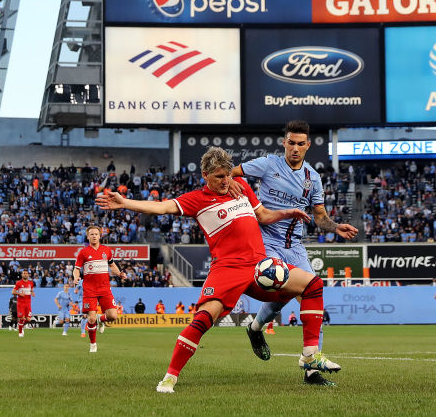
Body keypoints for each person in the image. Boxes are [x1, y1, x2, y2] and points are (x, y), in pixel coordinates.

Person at [97, 146, 341, 394]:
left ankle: (310, 356)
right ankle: (169, 378)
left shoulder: (241, 187)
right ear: (205, 175)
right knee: (203, 320)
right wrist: (125, 202)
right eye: (219, 177)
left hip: (259, 266)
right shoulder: (196, 199)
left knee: (313, 285)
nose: (226, 181)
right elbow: (161, 207)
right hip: (227, 269)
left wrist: (287, 213)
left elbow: (264, 215)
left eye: (227, 175)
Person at [231, 120, 357, 386]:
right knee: (291, 291)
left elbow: (320, 217)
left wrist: (335, 227)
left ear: (308, 145)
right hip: (266, 241)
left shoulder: (313, 178)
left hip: (295, 246)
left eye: (301, 144)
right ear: (284, 143)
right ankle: (307, 362)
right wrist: (235, 191)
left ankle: (302, 363)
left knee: (308, 293)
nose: (296, 148)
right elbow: (231, 174)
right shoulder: (267, 164)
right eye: (291, 143)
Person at [73, 224, 125, 353]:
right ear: (88, 236)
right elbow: (76, 269)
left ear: (100, 235)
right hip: (89, 289)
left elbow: (112, 265)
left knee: (113, 316)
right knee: (90, 318)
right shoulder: (83, 252)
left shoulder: (106, 250)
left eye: (96, 234)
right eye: (91, 234)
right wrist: (76, 277)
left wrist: (119, 273)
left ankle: (100, 319)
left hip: (105, 288)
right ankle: (93, 344)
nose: (94, 236)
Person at [13, 270, 35, 337]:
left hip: (28, 303)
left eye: (26, 273)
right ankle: (20, 333)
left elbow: (31, 290)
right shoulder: (18, 283)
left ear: (28, 275)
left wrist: (32, 293)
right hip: (21, 303)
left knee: (28, 319)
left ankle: (20, 326)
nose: (25, 274)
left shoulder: (31, 283)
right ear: (22, 275)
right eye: (24, 273)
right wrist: (19, 293)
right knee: (22, 318)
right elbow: (13, 292)